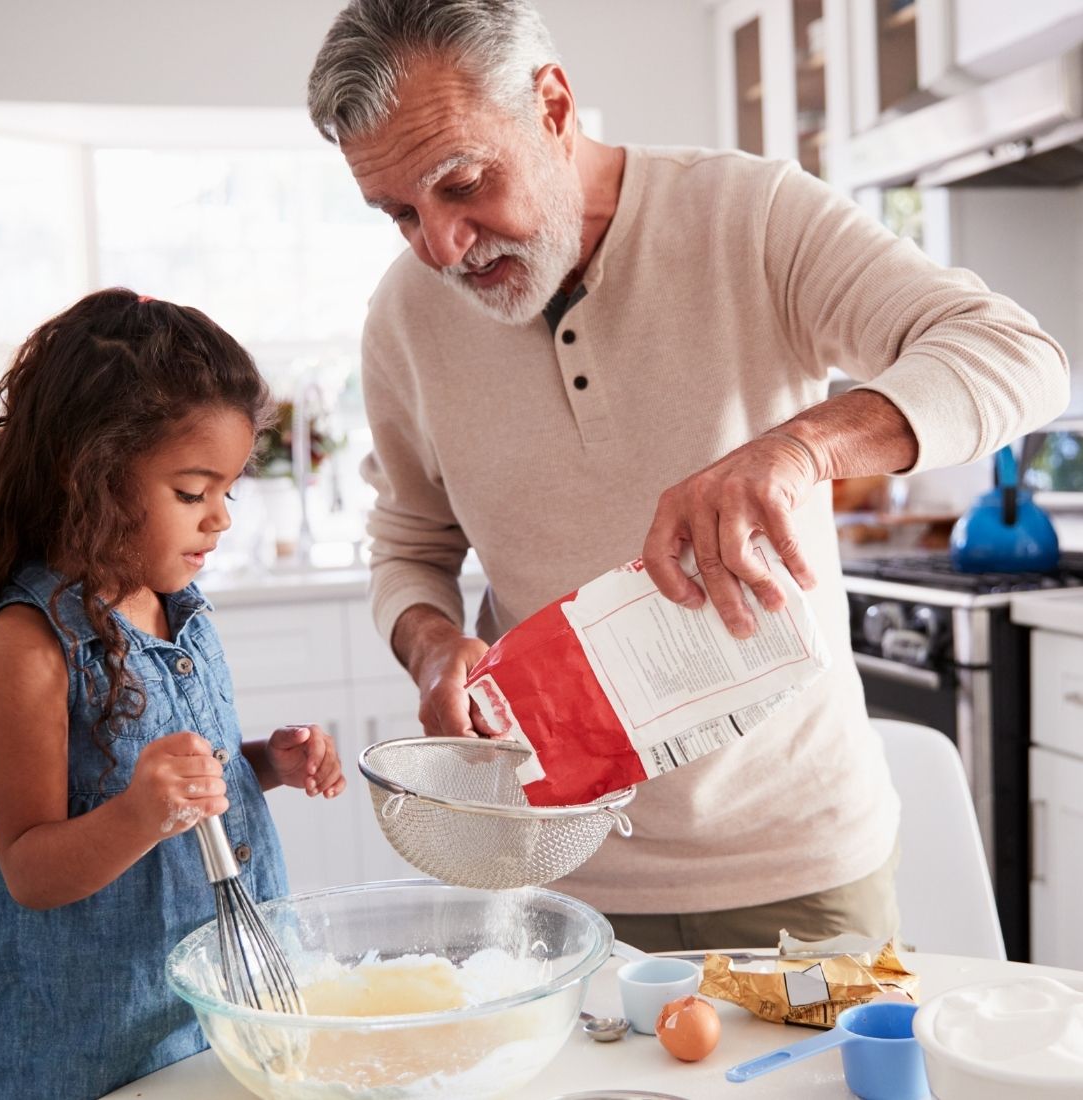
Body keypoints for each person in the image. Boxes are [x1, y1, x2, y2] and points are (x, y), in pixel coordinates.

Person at [307, 0, 1069, 951]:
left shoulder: (748, 215)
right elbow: (411, 544)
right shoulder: (405, 318)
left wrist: (799, 449)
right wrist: (428, 644)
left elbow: (1018, 353)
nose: (442, 246)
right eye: (400, 214)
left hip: (797, 864)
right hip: (557, 871)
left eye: (462, 184)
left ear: (552, 105)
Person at [0, 289, 346, 1099]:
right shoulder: (31, 646)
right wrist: (142, 814)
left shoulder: (177, 610)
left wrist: (260, 766)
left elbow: (178, 781)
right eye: (191, 493)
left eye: (229, 492)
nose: (218, 520)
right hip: (82, 1042)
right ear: (93, 477)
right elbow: (31, 868)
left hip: (208, 1007)